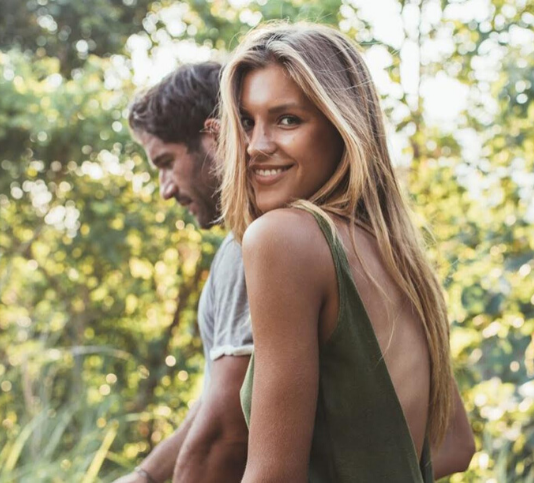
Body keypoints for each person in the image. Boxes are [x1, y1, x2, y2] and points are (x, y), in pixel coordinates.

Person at [217, 23, 475, 482]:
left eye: (287, 120)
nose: (256, 146)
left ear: (341, 127)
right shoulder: (397, 256)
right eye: (246, 121)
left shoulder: (283, 238)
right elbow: (454, 445)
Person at [116, 62, 252, 483]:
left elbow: (225, 434)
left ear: (212, 140)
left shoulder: (252, 248)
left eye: (166, 162)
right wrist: (145, 477)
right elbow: (216, 401)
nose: (166, 188)